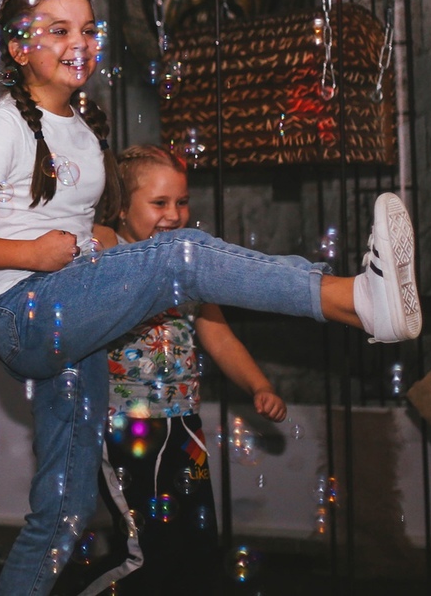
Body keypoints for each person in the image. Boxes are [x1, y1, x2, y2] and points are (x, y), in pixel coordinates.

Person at [0, 0, 421, 596]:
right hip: (28, 312)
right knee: (182, 253)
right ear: (18, 49)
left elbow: (74, 230)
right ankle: (355, 300)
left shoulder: (78, 128)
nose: (80, 42)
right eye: (58, 30)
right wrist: (27, 253)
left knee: (65, 510)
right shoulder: (4, 126)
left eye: (88, 29)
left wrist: (84, 251)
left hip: (74, 322)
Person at [78, 144, 288, 595]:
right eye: (159, 202)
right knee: (145, 552)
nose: (174, 215)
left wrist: (259, 384)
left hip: (184, 426)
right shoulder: (110, 251)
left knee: (196, 546)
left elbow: (220, 336)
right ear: (121, 207)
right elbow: (90, 231)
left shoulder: (188, 268)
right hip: (125, 427)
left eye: (182, 201)